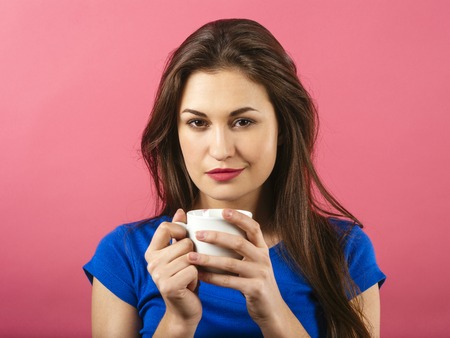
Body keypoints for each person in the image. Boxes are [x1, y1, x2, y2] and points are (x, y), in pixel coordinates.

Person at [84, 18, 386, 338]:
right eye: (198, 123)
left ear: (282, 127)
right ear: (175, 132)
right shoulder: (124, 254)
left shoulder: (345, 251)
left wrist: (273, 312)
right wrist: (178, 322)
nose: (221, 149)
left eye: (242, 121)